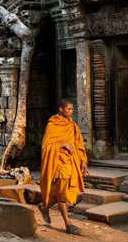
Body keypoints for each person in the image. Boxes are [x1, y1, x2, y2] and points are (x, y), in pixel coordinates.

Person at [38, 98, 89, 234]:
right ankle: (68, 224)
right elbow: (46, 146)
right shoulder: (52, 125)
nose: (71, 112)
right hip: (59, 163)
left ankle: (45, 207)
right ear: (61, 109)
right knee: (62, 193)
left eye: (72, 109)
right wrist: (62, 145)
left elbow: (78, 144)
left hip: (71, 162)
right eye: (69, 109)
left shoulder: (72, 125)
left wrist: (83, 161)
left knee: (63, 191)